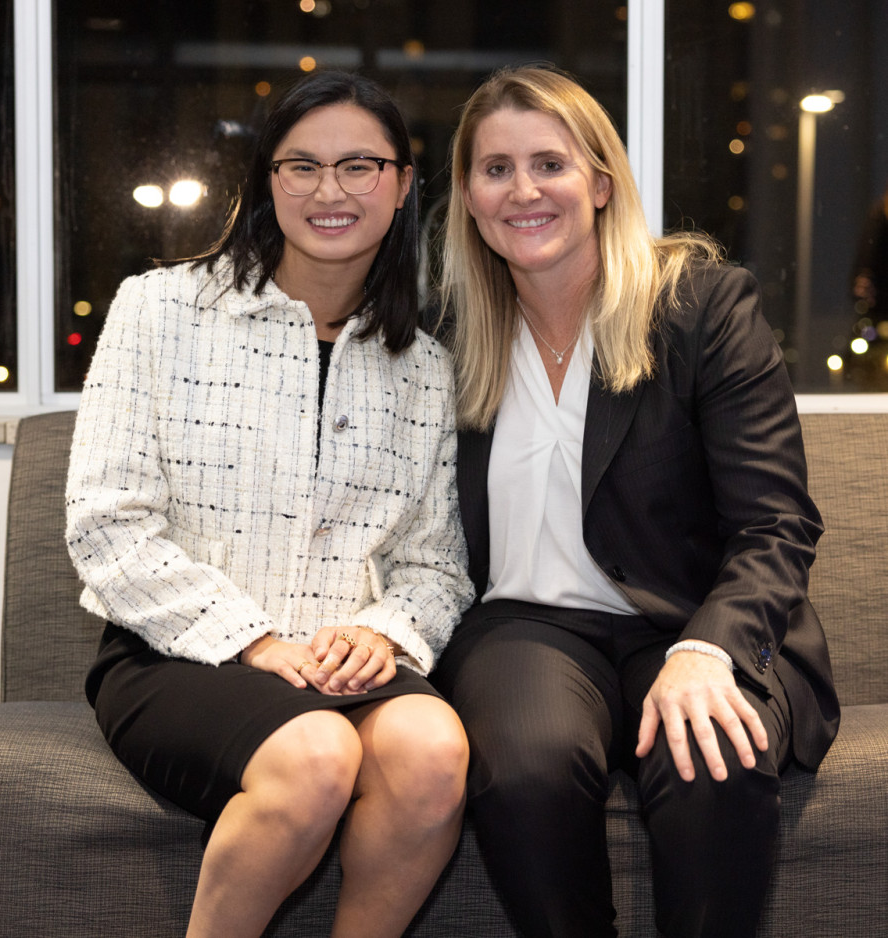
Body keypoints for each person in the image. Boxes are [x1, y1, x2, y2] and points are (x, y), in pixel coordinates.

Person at [431, 65, 840, 938]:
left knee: (715, 757)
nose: (524, 190)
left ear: (601, 182)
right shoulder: (446, 335)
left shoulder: (700, 307)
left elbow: (777, 520)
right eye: (495, 169)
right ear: (468, 195)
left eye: (551, 163)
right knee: (527, 766)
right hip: (527, 630)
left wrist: (711, 649)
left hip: (691, 618)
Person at [65, 71, 475, 938]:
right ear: (267, 182)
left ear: (402, 185)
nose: (330, 190)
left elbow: (437, 563)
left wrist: (385, 634)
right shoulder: (160, 309)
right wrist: (251, 639)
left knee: (435, 753)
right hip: (180, 654)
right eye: (302, 166)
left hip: (342, 660)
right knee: (317, 754)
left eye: (360, 165)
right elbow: (107, 522)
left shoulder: (424, 367)